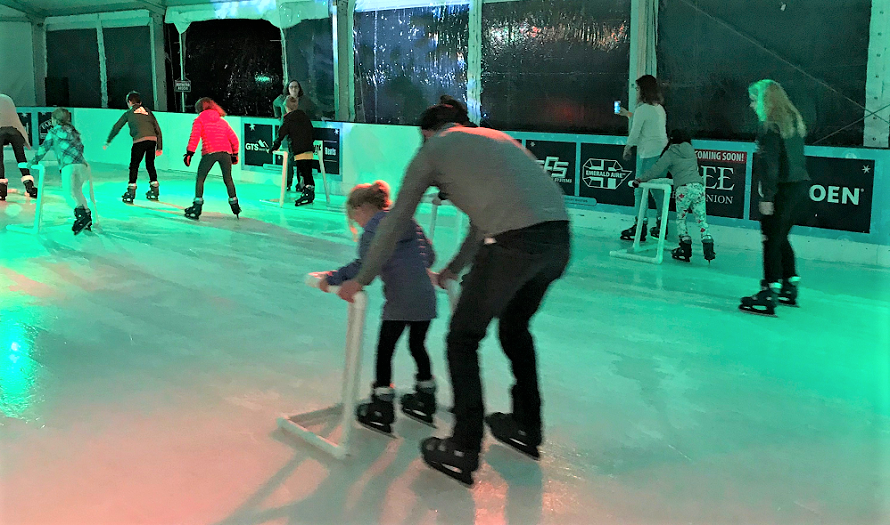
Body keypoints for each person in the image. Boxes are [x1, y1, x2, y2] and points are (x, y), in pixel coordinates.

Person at [335, 102, 571, 486]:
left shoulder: (434, 149)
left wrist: (361, 278)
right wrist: (451, 271)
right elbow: (482, 224)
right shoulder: (493, 140)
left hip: (514, 244)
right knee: (514, 328)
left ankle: (464, 445)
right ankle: (527, 425)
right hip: (558, 241)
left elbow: (394, 222)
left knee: (462, 338)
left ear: (427, 133)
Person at [320, 180, 438, 434]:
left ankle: (382, 406)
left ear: (361, 209)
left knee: (385, 350)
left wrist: (332, 277)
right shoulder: (408, 221)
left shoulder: (374, 230)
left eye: (355, 218)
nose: (358, 224)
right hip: (425, 297)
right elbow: (429, 256)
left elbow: (364, 265)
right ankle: (426, 397)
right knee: (418, 345)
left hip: (401, 299)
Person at [739, 80, 810, 316]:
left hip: (781, 189)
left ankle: (770, 289)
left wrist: (767, 196)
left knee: (771, 238)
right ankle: (789, 283)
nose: (751, 105)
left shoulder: (769, 127)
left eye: (753, 99)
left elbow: (770, 166)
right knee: (781, 237)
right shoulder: (792, 122)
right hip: (799, 187)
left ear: (764, 100)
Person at [633, 129, 715, 263]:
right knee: (701, 218)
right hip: (698, 186)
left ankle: (685, 247)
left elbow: (657, 169)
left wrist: (641, 179)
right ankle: (708, 246)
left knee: (681, 219)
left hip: (683, 188)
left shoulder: (671, 152)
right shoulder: (690, 150)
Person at [618, 75, 668, 241]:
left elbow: (636, 132)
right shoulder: (658, 108)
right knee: (658, 190)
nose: (637, 92)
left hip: (648, 155)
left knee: (639, 191)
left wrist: (627, 147)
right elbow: (647, 122)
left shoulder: (643, 109)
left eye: (638, 89)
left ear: (644, 90)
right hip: (661, 154)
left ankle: (640, 226)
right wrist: (629, 115)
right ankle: (661, 225)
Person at [28, 108, 93, 234]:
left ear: (55, 120)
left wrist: (33, 161)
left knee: (68, 194)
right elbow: (81, 147)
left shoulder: (54, 132)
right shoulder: (74, 131)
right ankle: (87, 215)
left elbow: (44, 148)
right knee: (78, 192)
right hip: (82, 165)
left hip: (68, 166)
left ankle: (82, 217)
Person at [183, 98, 241, 220]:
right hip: (225, 153)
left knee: (200, 178)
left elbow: (194, 137)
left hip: (210, 152)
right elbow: (234, 139)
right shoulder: (222, 122)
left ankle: (197, 206)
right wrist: (234, 154)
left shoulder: (199, 120)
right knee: (228, 178)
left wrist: (189, 154)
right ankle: (235, 205)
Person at [104, 91, 163, 203]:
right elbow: (157, 129)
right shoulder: (148, 112)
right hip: (152, 140)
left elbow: (117, 127)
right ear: (140, 102)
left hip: (139, 141)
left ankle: (131, 191)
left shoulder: (129, 113)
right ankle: (155, 189)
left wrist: (108, 140)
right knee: (150, 164)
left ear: (130, 102)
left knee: (134, 165)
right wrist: (159, 147)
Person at [269, 95, 316, 206]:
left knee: (304, 172)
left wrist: (274, 147)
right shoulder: (304, 116)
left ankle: (308, 191)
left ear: (286, 107)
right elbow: (311, 131)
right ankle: (309, 191)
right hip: (308, 148)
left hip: (298, 149)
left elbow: (281, 134)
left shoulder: (287, 118)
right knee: (307, 171)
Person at [0, 93, 37, 200]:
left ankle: (1, 189)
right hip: (15, 131)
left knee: (0, 160)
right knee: (21, 158)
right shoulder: (7, 98)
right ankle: (29, 186)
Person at [273, 80, 304, 192]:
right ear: (288, 88)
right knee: (288, 160)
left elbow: (315, 110)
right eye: (291, 87)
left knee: (300, 160)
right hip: (286, 134)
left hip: (299, 135)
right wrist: (278, 116)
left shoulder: (304, 101)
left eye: (296, 87)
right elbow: (274, 104)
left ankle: (301, 184)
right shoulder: (282, 99)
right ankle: (288, 183)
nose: (294, 89)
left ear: (299, 89)